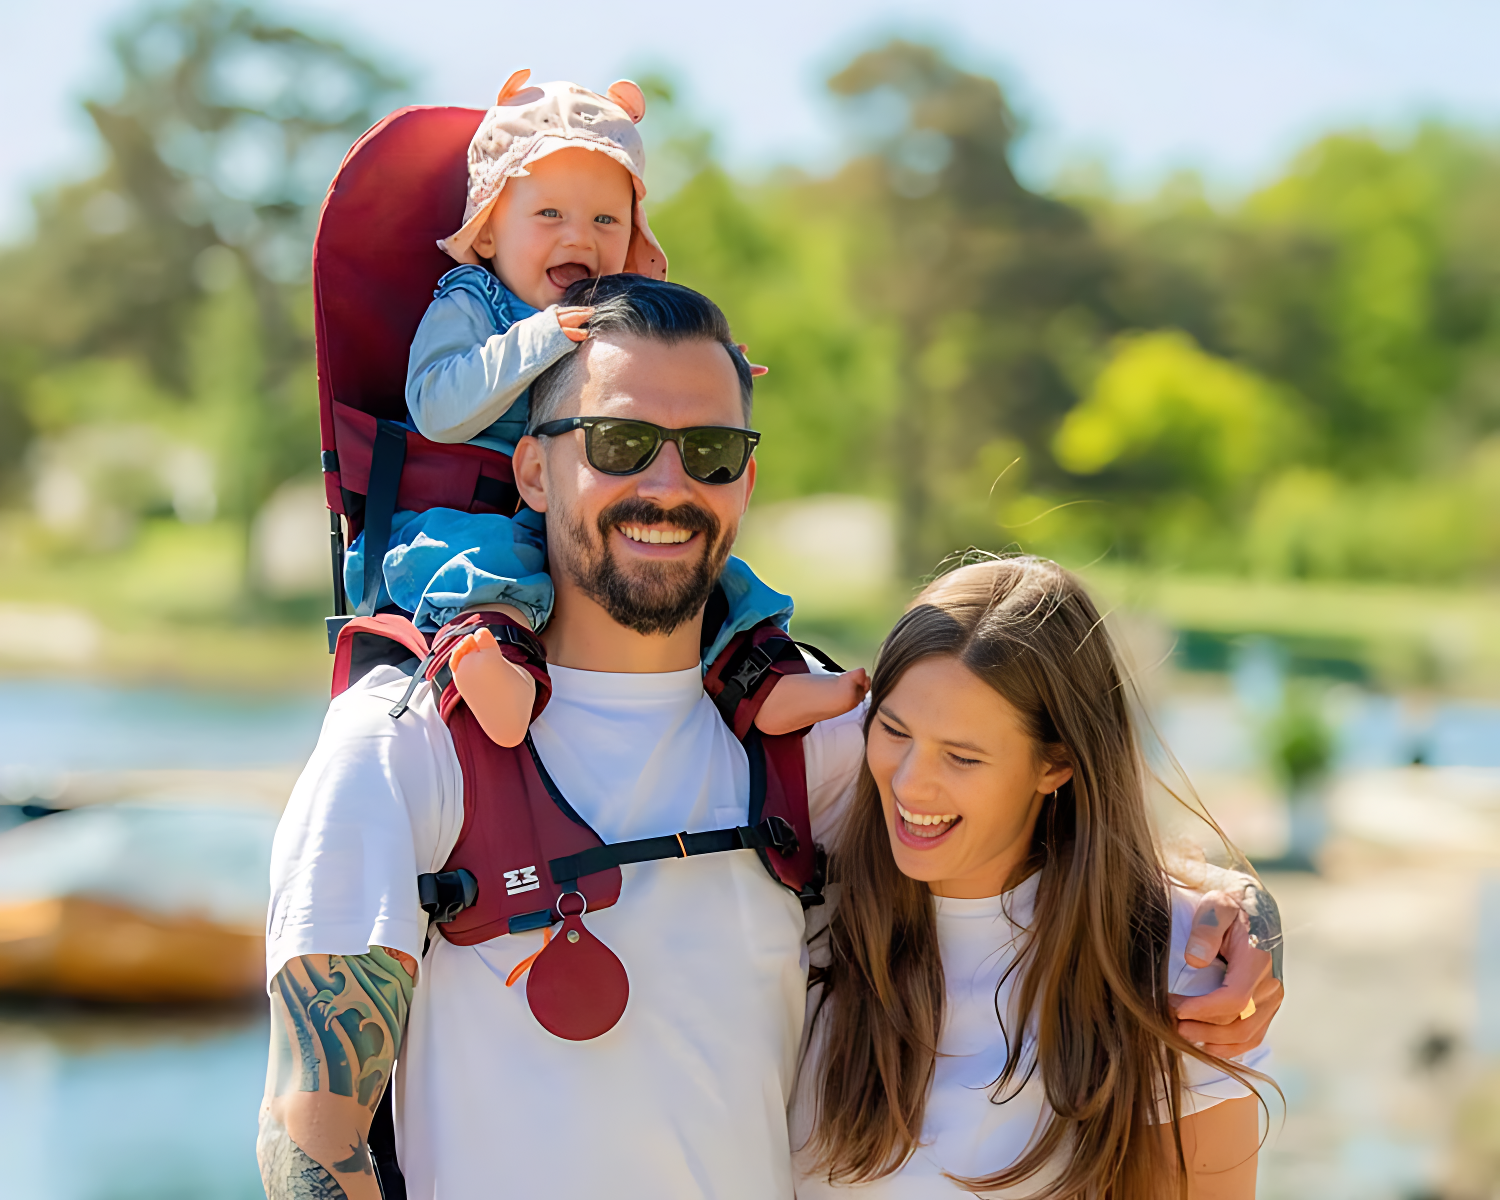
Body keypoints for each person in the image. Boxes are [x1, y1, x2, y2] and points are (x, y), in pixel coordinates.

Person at [257, 276, 1280, 1200]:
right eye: (618, 443)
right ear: (533, 469)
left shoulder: (816, 744)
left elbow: (1046, 843)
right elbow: (311, 1141)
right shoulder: (406, 744)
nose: (668, 486)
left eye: (709, 451)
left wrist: (1247, 924)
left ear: (744, 483)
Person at [347, 70, 864, 748]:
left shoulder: (610, 315)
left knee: (711, 568)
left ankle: (763, 678)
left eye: (605, 220)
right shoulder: (471, 302)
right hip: (476, 514)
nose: (579, 238)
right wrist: (537, 338)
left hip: (590, 513)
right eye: (549, 216)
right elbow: (436, 407)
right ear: (489, 232)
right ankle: (496, 671)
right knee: (494, 567)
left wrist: (715, 370)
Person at [791, 557, 1276, 1199]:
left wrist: (1249, 911)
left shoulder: (1174, 970)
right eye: (894, 731)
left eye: (962, 757)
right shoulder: (805, 910)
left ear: (1056, 765)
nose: (910, 783)